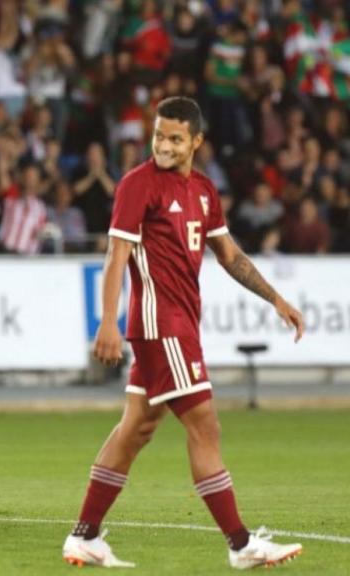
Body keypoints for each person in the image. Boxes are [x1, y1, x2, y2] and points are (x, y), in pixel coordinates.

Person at [61, 96, 304, 569]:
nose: (165, 146)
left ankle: (84, 537)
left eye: (175, 138)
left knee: (136, 429)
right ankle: (240, 544)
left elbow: (230, 257)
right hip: (161, 326)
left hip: (178, 325)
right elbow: (116, 256)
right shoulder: (138, 185)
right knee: (204, 425)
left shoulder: (205, 190)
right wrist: (107, 320)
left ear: (196, 141)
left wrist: (275, 298)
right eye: (159, 135)